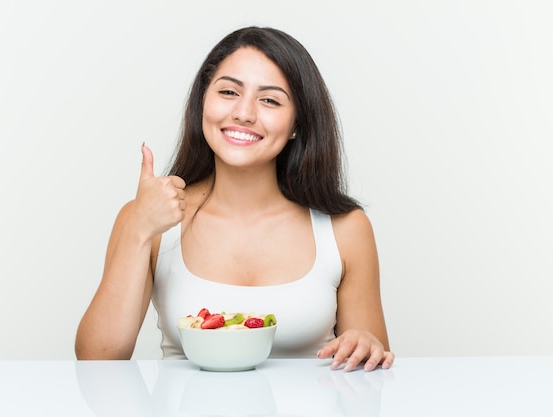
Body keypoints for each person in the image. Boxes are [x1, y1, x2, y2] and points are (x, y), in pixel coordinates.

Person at [75, 26, 394, 372]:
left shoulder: (345, 228)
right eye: (229, 92)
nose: (244, 113)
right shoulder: (148, 221)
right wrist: (138, 230)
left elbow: (369, 368)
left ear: (297, 124)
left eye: (270, 100)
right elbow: (97, 361)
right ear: (202, 103)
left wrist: (367, 344)